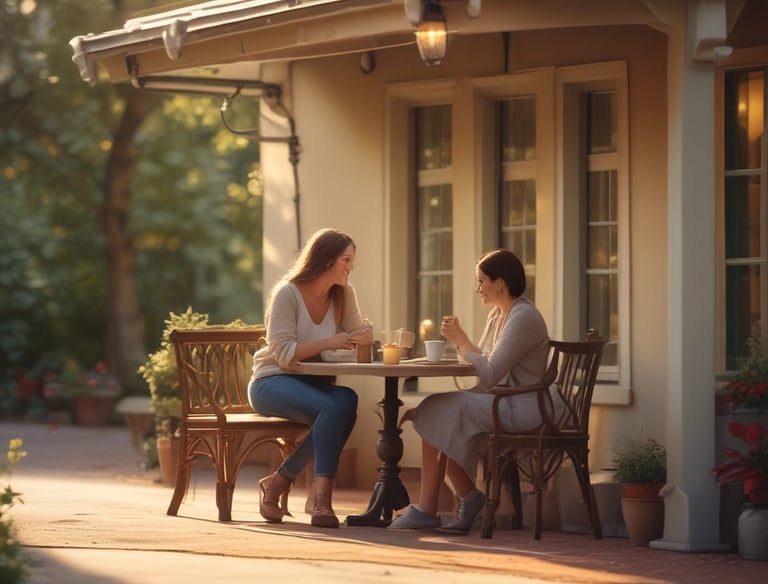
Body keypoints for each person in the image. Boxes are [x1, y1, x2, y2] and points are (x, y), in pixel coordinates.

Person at [388, 249, 550, 534]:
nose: (478, 289)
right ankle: (461, 498)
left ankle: (446, 504)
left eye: (481, 281)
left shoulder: (523, 317)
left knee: (435, 410)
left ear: (499, 283)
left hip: (523, 405)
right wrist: (462, 343)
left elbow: (488, 374)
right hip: (502, 399)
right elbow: (485, 361)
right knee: (432, 409)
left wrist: (461, 340)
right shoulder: (498, 315)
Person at [248, 228, 373, 528]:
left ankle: (279, 481)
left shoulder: (344, 293)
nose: (350, 266)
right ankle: (322, 502)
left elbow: (358, 333)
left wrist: (365, 333)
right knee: (334, 408)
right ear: (326, 258)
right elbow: (284, 354)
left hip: (312, 383)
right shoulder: (286, 293)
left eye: (352, 260)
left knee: (347, 400)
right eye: (346, 259)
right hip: (271, 382)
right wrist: (331, 342)